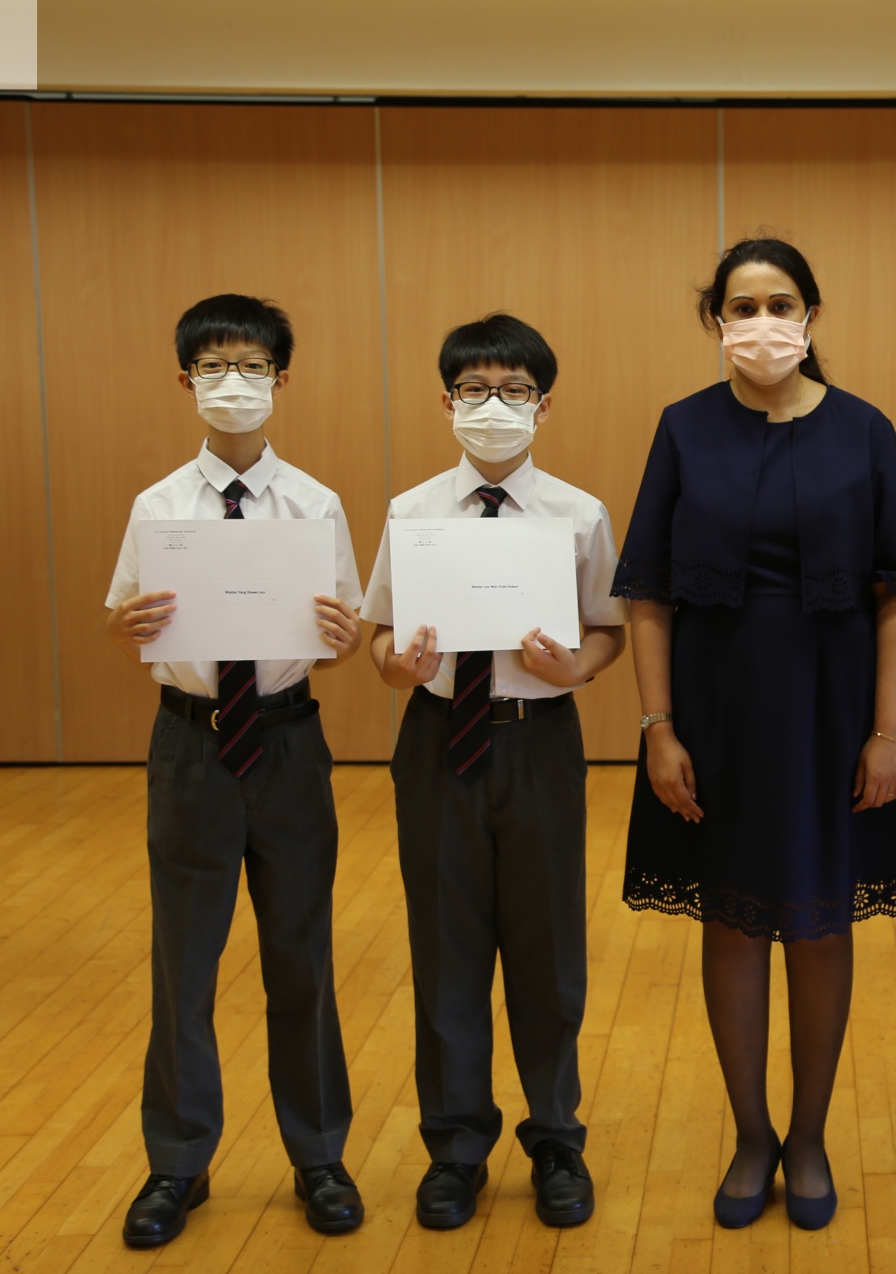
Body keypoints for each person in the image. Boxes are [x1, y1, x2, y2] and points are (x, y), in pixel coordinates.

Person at [614, 237, 896, 1232]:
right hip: (715, 709)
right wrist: (658, 727)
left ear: (811, 316)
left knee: (822, 921)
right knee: (736, 919)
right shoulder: (683, 427)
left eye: (779, 303)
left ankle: (810, 1135)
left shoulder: (866, 430)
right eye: (741, 307)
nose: (761, 323)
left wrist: (889, 731)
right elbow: (647, 590)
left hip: (835, 711)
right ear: (717, 322)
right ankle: (752, 1134)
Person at [104, 294, 366, 1248]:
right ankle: (177, 1163)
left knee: (302, 954)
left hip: (288, 742)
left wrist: (343, 636)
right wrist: (125, 626)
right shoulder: (159, 506)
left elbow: (343, 630)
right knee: (185, 963)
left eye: (251, 366)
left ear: (280, 380)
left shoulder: (316, 504)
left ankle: (320, 1154)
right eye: (214, 366)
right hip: (190, 745)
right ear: (187, 380)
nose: (233, 382)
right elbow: (124, 616)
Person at [360, 313, 627, 1231]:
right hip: (439, 739)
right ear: (447, 402)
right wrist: (396, 667)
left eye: (515, 390)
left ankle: (556, 1138)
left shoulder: (578, 514)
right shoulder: (412, 512)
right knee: (447, 948)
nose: (494, 405)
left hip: (536, 738)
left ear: (544, 406)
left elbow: (609, 631)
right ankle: (455, 1147)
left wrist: (578, 669)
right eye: (475, 389)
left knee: (547, 951)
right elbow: (381, 638)